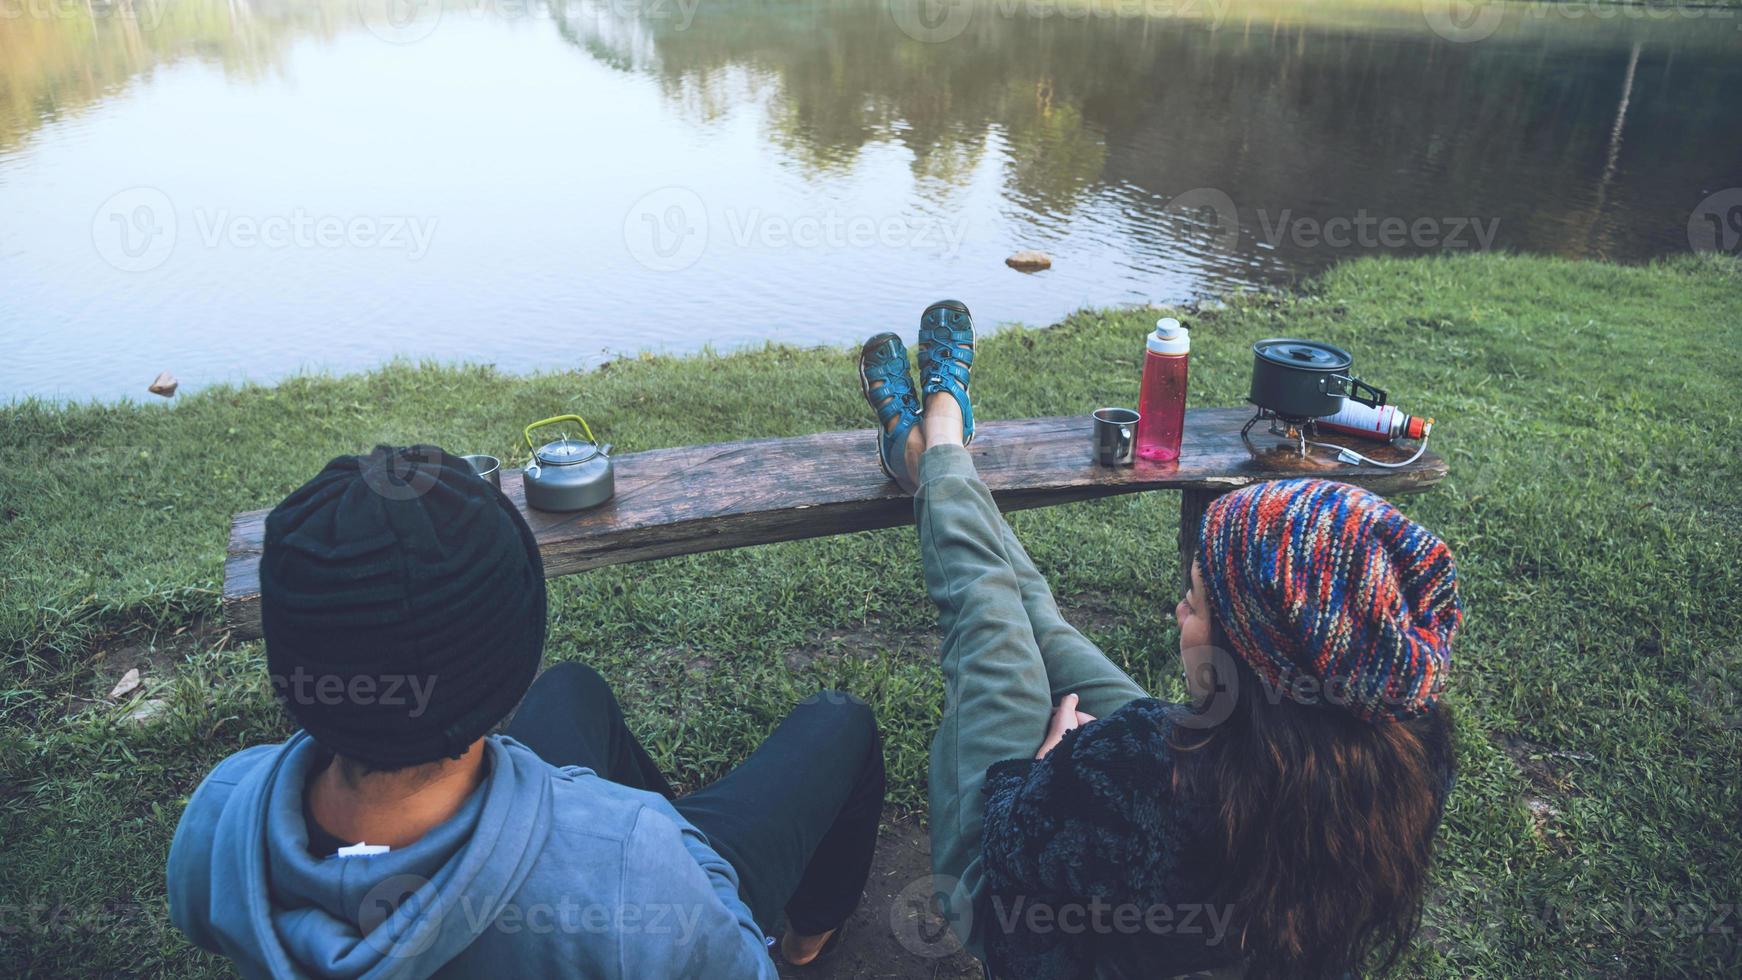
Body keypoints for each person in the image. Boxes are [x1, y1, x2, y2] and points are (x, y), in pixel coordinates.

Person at [860, 302, 1461, 979]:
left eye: (1197, 599)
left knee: (985, 617)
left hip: (1016, 904)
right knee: (1039, 619)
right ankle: (937, 460)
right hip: (1203, 822)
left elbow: (1011, 837)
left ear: (1248, 659)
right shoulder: (1406, 750)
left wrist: (1052, 763)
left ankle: (936, 439)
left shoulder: (1130, 766)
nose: (1180, 608)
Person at [166, 445, 884, 977]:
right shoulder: (630, 865)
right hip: (661, 885)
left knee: (573, 689)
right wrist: (669, 847)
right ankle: (802, 936)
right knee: (838, 717)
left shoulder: (220, 814)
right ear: (509, 654)